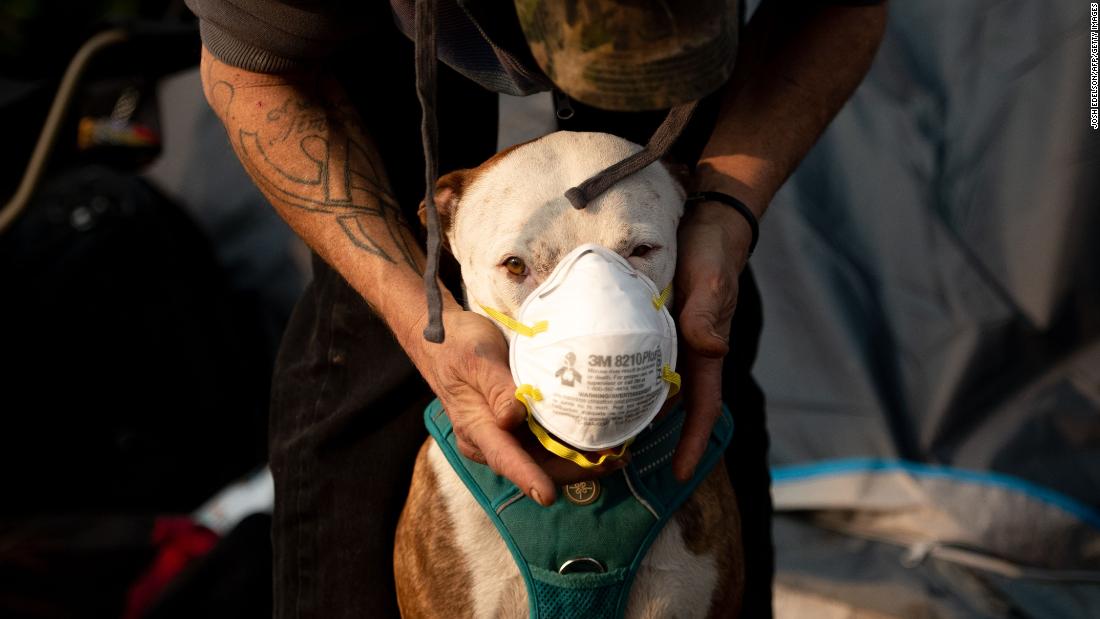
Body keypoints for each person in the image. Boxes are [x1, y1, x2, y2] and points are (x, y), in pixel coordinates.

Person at [184, 0, 887, 616]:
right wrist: (413, 313)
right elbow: (251, 73)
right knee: (375, 339)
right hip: (379, 29)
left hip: (682, 104)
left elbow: (841, 9)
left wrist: (726, 215)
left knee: (694, 313)